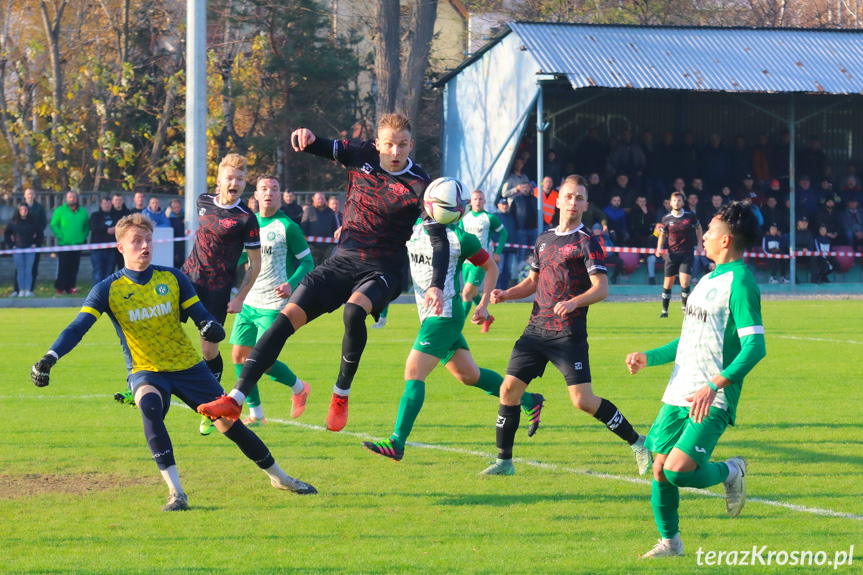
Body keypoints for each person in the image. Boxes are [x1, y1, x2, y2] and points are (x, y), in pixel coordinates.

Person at [30, 213, 316, 512]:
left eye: (148, 241)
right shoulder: (107, 289)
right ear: (121, 248)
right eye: (136, 241)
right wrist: (50, 357)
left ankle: (280, 478)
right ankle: (176, 493)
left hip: (189, 368)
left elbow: (201, 315)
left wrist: (210, 327)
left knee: (230, 425)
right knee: (150, 408)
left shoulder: (173, 278)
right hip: (146, 370)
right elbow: (77, 327)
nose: (144, 246)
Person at [196, 113, 449, 433]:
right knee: (284, 319)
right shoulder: (362, 154)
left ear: (411, 144)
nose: (395, 152)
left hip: (386, 268)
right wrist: (306, 136)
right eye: (389, 145)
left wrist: (436, 285)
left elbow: (439, 240)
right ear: (377, 144)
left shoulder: (421, 185)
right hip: (343, 259)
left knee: (354, 310)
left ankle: (341, 393)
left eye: (401, 145)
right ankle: (235, 398)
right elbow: (321, 145)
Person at [480, 175, 652, 477]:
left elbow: (601, 288)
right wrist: (507, 293)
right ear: (558, 200)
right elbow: (532, 282)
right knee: (508, 391)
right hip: (535, 330)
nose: (573, 202)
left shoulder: (587, 242)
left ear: (585, 205)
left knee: (582, 401)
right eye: (568, 196)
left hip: (567, 334)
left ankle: (638, 442)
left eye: (579, 198)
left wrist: (574, 302)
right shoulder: (543, 240)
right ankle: (504, 463)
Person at [626, 201, 765, 559]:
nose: (703, 237)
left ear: (726, 240)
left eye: (711, 231)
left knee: (678, 471)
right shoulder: (706, 279)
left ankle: (731, 471)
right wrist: (649, 357)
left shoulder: (741, 281)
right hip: (678, 392)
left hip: (711, 397)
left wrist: (716, 384)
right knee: (658, 468)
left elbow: (755, 346)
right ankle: (670, 543)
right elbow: (688, 337)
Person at [362, 217, 544, 461]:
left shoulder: (460, 238)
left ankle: (397, 442)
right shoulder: (412, 226)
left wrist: (482, 303)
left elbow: (492, 267)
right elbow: (384, 231)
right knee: (469, 375)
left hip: (445, 316)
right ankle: (530, 400)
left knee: (414, 373)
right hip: (430, 316)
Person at [182, 153, 262, 434]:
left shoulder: (246, 218)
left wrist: (239, 297)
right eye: (230, 177)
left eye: (240, 179)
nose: (235, 182)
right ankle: (142, 381)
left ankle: (210, 406)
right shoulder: (202, 201)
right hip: (188, 280)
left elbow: (255, 263)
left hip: (217, 292)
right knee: (159, 324)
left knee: (208, 350)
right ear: (219, 181)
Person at [229, 175, 314, 426]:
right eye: (264, 189)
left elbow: (308, 262)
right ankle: (255, 414)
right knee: (239, 356)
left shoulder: (287, 227)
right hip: (248, 299)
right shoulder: (248, 223)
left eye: (274, 189)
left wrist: (291, 283)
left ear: (279, 197)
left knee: (262, 360)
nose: (269, 193)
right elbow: (239, 258)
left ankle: (299, 388)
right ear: (255, 195)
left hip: (274, 304)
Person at [459, 190, 507, 333]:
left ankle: (457, 327)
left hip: (480, 260)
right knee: (472, 293)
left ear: (485, 201)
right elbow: (460, 237)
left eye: (480, 199)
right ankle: (487, 318)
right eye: (475, 199)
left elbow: (504, 234)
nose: (478, 201)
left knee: (466, 292)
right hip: (466, 261)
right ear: (471, 201)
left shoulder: (489, 218)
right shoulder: (465, 218)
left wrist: (497, 252)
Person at [655, 191, 703, 318]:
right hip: (672, 255)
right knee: (668, 283)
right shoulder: (666, 219)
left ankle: (685, 308)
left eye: (679, 200)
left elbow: (698, 228)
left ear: (683, 202)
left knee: (685, 282)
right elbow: (663, 234)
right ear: (671, 203)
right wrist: (659, 247)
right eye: (674, 200)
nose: (677, 202)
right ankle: (664, 311)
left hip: (686, 254)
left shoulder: (690, 216)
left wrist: (700, 244)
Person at [50, 191, 90, 295]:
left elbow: (86, 226)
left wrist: (83, 237)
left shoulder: (83, 211)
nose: (71, 199)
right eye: (69, 197)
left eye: (73, 197)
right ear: (66, 199)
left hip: (77, 244)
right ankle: (60, 287)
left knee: (74, 267)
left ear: (76, 199)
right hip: (64, 244)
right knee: (63, 266)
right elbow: (54, 225)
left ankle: (70, 287)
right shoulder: (60, 211)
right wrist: (60, 236)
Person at [13, 188, 47, 296]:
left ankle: (30, 290)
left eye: (32, 194)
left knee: (33, 267)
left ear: (35, 195)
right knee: (19, 268)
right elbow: (14, 222)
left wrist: (37, 233)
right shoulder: (19, 207)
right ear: (25, 195)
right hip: (20, 242)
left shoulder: (39, 208)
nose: (30, 196)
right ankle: (17, 290)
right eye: (28, 194)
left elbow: (43, 222)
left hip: (33, 243)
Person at [5, 203, 43, 297]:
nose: (23, 211)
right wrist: (11, 245)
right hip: (17, 249)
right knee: (20, 270)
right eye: (21, 209)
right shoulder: (13, 222)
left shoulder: (33, 222)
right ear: (19, 210)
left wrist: (35, 243)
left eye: (25, 209)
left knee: (29, 270)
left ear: (28, 210)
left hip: (30, 249)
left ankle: (28, 290)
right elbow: (7, 234)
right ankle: (21, 290)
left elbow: (40, 233)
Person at [301, 192, 339, 266]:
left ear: (325, 200)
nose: (320, 200)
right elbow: (304, 226)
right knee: (312, 268)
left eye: (322, 198)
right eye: (318, 199)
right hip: (312, 246)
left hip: (327, 247)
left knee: (325, 268)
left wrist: (333, 243)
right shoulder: (309, 210)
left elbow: (334, 227)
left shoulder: (330, 212)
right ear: (314, 199)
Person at [628, 195, 658, 285]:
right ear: (637, 202)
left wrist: (646, 213)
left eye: (644, 201)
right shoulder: (633, 210)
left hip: (646, 229)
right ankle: (640, 256)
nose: (642, 203)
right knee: (636, 235)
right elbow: (633, 223)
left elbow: (650, 222)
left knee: (651, 237)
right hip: (636, 230)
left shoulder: (647, 210)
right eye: (640, 201)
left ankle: (647, 255)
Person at [89, 196, 117, 286]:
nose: (107, 205)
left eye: (109, 203)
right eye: (105, 203)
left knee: (108, 273)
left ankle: (106, 293)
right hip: (97, 250)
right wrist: (107, 230)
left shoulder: (115, 216)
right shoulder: (95, 215)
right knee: (98, 272)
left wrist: (115, 229)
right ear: (101, 204)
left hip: (111, 250)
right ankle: (96, 293)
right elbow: (93, 227)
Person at [494, 196, 518, 289]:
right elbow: (492, 233)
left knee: (507, 271)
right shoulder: (495, 216)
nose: (505, 206)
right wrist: (498, 243)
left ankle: (504, 291)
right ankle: (496, 290)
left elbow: (513, 231)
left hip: (510, 249)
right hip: (500, 249)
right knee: (499, 270)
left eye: (506, 204)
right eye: (503, 204)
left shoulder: (510, 217)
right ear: (498, 205)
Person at [110, 193, 132, 271]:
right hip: (111, 246)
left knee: (123, 268)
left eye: (120, 200)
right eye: (116, 200)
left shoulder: (128, 213)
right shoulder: (109, 212)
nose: (118, 201)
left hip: (124, 245)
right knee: (110, 270)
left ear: (123, 201)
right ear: (112, 201)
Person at [166, 198, 186, 268]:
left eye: (178, 207)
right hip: (175, 248)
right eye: (174, 208)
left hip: (186, 246)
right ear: (171, 208)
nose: (176, 209)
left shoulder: (187, 217)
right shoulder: (168, 220)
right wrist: (175, 253)